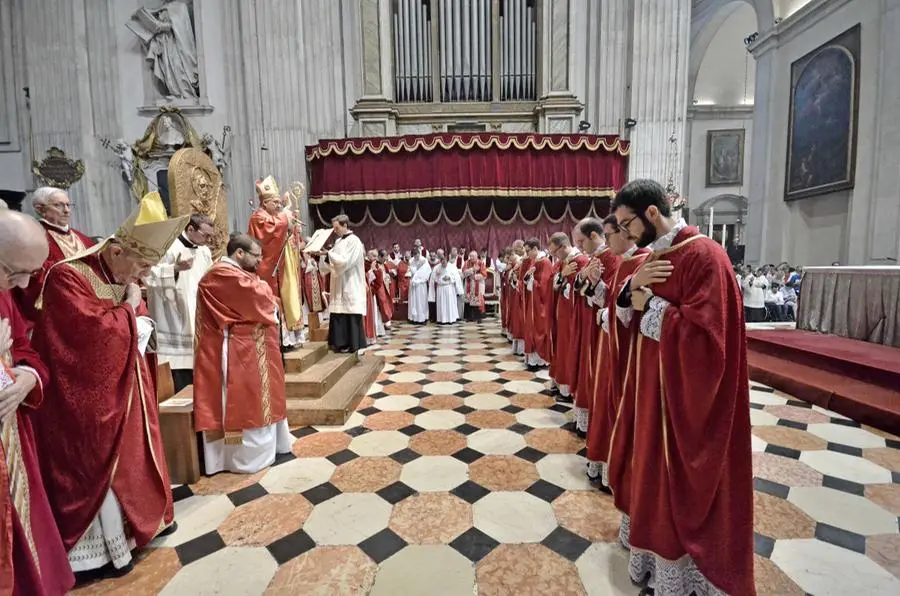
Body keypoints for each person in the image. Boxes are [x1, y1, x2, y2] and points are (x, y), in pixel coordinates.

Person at [606, 179, 754, 595]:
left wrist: (649, 304)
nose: (626, 234)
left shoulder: (706, 256)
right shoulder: (654, 256)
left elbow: (708, 342)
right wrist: (631, 292)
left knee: (676, 481)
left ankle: (686, 571)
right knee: (649, 471)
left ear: (652, 213)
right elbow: (628, 316)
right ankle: (654, 558)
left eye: (627, 223)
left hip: (685, 402)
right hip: (651, 393)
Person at [31, 194, 182, 577]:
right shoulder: (68, 276)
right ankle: (102, 553)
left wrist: (131, 313)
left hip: (129, 386)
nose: (145, 276)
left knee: (137, 454)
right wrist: (131, 310)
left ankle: (142, 525)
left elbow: (133, 321)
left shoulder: (119, 275)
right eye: (143, 265)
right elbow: (89, 340)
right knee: (104, 462)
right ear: (116, 251)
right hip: (88, 399)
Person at [0, 210, 75, 595]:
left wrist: (28, 376)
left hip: (11, 430)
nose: (23, 285)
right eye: (14, 272)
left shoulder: (5, 294)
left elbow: (26, 350)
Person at [193, 233, 292, 474]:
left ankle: (270, 448)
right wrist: (265, 289)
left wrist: (263, 288)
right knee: (245, 399)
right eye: (256, 256)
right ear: (239, 253)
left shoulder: (238, 273)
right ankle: (244, 458)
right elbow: (258, 298)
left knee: (262, 396)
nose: (260, 262)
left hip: (250, 345)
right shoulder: (221, 274)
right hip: (235, 349)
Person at [584, 215, 649, 490]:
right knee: (605, 400)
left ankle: (617, 471)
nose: (607, 243)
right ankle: (604, 461)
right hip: (612, 344)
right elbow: (610, 298)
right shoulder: (623, 261)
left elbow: (637, 309)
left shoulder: (644, 261)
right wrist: (596, 284)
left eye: (609, 235)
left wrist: (604, 316)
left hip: (630, 352)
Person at [144, 212, 215, 392]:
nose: (208, 240)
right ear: (190, 229)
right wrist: (175, 269)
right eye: (205, 235)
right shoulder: (167, 247)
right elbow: (148, 276)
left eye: (210, 236)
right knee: (180, 374)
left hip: (197, 314)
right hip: (173, 316)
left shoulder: (204, 251)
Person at [571, 218, 623, 437]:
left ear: (594, 235)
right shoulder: (595, 258)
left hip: (603, 326)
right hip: (592, 321)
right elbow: (582, 289)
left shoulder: (611, 257)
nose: (580, 248)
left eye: (581, 242)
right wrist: (584, 279)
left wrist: (591, 283)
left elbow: (612, 298)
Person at [14, 187, 95, 321]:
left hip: (90, 302)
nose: (67, 210)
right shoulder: (32, 237)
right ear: (40, 209)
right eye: (59, 205)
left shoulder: (82, 238)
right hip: (57, 309)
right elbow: (31, 274)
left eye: (69, 205)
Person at [247, 176, 304, 347]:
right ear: (265, 203)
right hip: (265, 265)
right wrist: (286, 219)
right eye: (275, 203)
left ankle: (286, 338)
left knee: (285, 298)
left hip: (279, 265)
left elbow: (284, 237)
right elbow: (269, 232)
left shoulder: (273, 216)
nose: (278, 206)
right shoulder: (258, 217)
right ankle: (275, 340)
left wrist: (294, 230)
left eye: (280, 203)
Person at [547, 233, 589, 401]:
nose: (554, 256)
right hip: (561, 313)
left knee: (568, 349)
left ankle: (568, 389)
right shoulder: (561, 263)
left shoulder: (581, 262)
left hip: (572, 315)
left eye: (555, 252)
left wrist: (564, 279)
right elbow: (552, 284)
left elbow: (580, 292)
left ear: (564, 246)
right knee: (560, 348)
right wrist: (562, 275)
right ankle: (560, 384)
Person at [321, 215, 367, 353]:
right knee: (339, 311)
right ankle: (340, 343)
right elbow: (332, 264)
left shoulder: (354, 241)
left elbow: (345, 262)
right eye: (334, 228)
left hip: (350, 282)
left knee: (350, 311)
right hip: (338, 282)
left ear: (345, 225)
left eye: (337, 227)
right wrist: (322, 256)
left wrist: (329, 254)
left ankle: (353, 344)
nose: (334, 231)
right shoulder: (338, 241)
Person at [522, 239, 553, 368]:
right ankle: (532, 358)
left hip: (540, 303)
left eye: (528, 251)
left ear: (535, 248)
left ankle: (540, 359)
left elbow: (545, 286)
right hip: (533, 301)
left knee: (538, 328)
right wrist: (528, 278)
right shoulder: (535, 261)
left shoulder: (544, 261)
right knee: (531, 328)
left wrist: (532, 281)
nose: (526, 254)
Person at [429, 252, 463, 324]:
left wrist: (449, 278)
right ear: (440, 262)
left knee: (450, 304)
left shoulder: (452, 267)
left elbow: (457, 278)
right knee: (442, 305)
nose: (444, 264)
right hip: (440, 288)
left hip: (449, 288)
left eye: (445, 263)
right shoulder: (436, 268)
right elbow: (433, 279)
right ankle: (442, 319)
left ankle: (451, 319)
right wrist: (440, 278)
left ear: (447, 261)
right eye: (442, 263)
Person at [461, 250, 488, 322]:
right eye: (470, 256)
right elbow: (463, 273)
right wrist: (472, 270)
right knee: (468, 299)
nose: (471, 258)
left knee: (478, 300)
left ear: (476, 256)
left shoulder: (481, 263)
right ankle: (469, 317)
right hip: (469, 284)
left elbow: (484, 275)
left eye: (473, 256)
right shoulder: (467, 263)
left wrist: (475, 276)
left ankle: (478, 317)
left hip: (478, 285)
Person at [407, 249, 431, 324]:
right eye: (414, 255)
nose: (416, 257)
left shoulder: (424, 260)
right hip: (414, 284)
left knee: (421, 301)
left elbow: (427, 271)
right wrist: (417, 268)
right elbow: (410, 271)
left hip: (421, 284)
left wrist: (419, 277)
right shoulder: (411, 261)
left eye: (417, 254)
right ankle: (413, 318)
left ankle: (423, 318)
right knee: (413, 301)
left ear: (419, 254)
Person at [372, 250, 394, 331]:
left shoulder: (384, 265)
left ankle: (386, 322)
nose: (385, 259)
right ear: (380, 257)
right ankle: (382, 323)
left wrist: (388, 276)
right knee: (381, 303)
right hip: (379, 287)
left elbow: (386, 273)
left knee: (386, 303)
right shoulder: (375, 265)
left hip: (385, 286)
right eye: (384, 257)